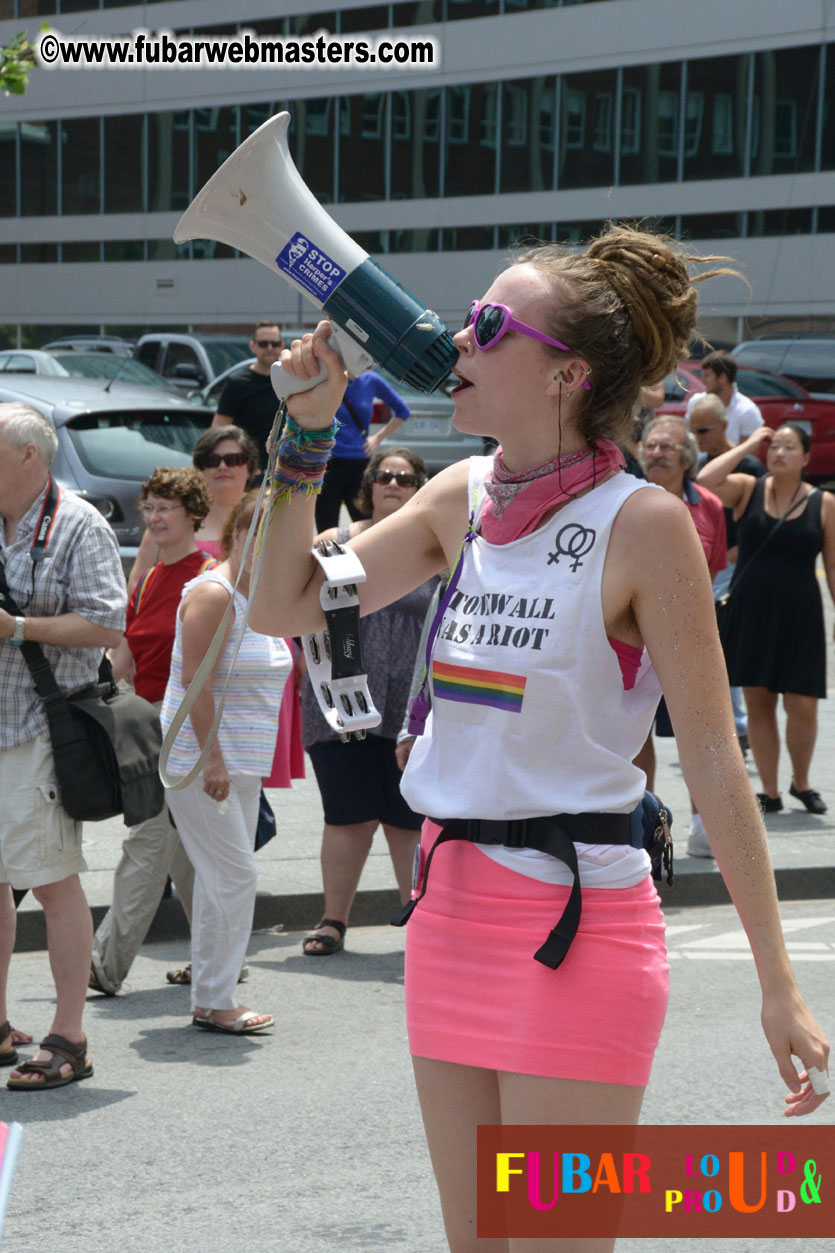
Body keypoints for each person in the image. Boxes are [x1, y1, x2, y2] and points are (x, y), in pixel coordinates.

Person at [250, 226, 829, 1251]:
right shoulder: (458, 498)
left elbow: (712, 762)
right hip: (448, 911)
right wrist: (303, 436)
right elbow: (282, 602)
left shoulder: (641, 523)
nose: (453, 340)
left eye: (486, 325)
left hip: (581, 928)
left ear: (564, 374)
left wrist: (776, 984)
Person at [0, 403, 126, 1089]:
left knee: (50, 880)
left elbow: (108, 624)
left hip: (39, 731)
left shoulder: (79, 523)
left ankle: (69, 1034)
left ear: (29, 456)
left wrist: (17, 627)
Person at [161, 492, 291, 1034]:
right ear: (236, 534)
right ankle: (216, 1000)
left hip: (239, 761)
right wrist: (212, 759)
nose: (269, 546)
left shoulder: (261, 595)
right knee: (235, 877)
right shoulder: (214, 594)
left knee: (223, 881)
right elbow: (195, 680)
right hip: (202, 761)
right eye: (259, 534)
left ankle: (210, 998)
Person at [301, 447, 437, 956]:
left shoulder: (436, 547)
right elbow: (302, 607)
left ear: (419, 487)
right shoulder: (334, 542)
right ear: (369, 485)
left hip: (410, 704)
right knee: (347, 814)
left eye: (406, 477)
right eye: (384, 475)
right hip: (339, 702)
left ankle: (418, 916)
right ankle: (333, 919)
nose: (394, 483)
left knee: (408, 817)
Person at [90, 467, 216, 996]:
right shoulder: (147, 579)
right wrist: (88, 692)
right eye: (149, 508)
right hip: (149, 730)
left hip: (189, 733)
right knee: (188, 854)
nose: (155, 518)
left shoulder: (209, 574)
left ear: (193, 513)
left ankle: (104, 964)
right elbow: (126, 653)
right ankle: (217, 957)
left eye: (166, 507)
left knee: (148, 842)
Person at [697, 422, 835, 816]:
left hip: (801, 614)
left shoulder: (823, 502)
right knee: (758, 701)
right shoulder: (747, 488)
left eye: (789, 447)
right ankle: (770, 791)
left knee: (803, 704)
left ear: (807, 458)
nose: (779, 453)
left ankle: (802, 782)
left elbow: (834, 565)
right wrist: (752, 442)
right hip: (753, 611)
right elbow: (707, 479)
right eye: (774, 447)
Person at [636, 416, 727, 856]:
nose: (656, 453)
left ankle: (702, 827)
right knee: (635, 737)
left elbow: (712, 570)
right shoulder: (627, 499)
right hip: (632, 640)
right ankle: (641, 822)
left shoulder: (708, 503)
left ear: (687, 456)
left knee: (700, 735)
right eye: (651, 446)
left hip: (688, 642)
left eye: (667, 448)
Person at [689, 392, 767, 755]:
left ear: (723, 425)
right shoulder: (701, 461)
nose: (699, 437)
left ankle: (736, 727)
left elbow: (760, 517)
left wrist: (742, 550)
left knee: (724, 645)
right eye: (694, 431)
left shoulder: (748, 466)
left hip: (735, 570)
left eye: (704, 430)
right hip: (706, 564)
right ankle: (729, 725)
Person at [126, 425, 259, 596]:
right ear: (201, 468)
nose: (223, 466)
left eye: (233, 459)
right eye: (212, 460)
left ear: (250, 467)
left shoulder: (264, 515)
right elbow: (137, 586)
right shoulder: (174, 518)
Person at [315, 370, 412, 532]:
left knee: (366, 528)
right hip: (327, 463)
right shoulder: (326, 376)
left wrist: (377, 438)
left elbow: (403, 411)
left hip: (359, 464)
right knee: (326, 530)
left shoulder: (371, 380)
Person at [212, 320, 284, 469]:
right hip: (248, 469)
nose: (270, 348)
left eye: (275, 343)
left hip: (284, 469)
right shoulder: (237, 383)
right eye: (263, 344)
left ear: (282, 346)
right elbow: (218, 429)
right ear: (253, 346)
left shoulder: (290, 379)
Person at [684, 350, 762, 444]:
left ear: (722, 378)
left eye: (707, 375)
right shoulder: (695, 402)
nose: (703, 381)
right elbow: (688, 441)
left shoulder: (748, 411)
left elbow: (748, 455)